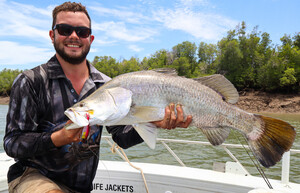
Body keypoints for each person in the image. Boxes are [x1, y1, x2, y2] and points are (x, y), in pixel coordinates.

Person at [3, 2, 192, 193]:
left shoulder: (107, 85)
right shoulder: (30, 81)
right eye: (65, 30)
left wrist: (154, 122)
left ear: (90, 39)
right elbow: (12, 143)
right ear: (52, 35)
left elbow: (122, 138)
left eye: (82, 32)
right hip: (33, 176)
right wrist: (57, 138)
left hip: (82, 188)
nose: (74, 36)